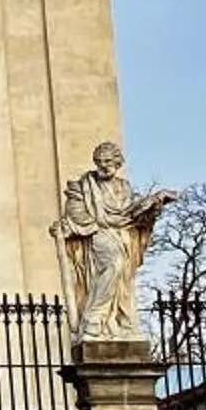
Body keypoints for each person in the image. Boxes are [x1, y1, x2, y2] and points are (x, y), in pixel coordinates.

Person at [54, 141, 176, 342]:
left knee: (122, 280)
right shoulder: (83, 187)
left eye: (108, 161)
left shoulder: (124, 187)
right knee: (114, 264)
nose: (103, 166)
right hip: (97, 233)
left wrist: (153, 206)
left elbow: (131, 214)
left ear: (118, 162)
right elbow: (75, 213)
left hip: (123, 235)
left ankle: (117, 323)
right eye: (99, 162)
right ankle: (94, 318)